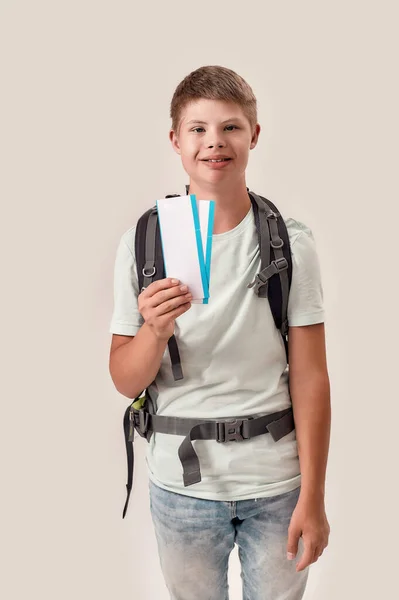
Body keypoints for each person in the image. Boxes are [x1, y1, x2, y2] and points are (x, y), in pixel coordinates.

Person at [109, 65, 331, 600]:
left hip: (276, 481)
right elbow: (123, 377)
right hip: (183, 482)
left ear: (254, 134)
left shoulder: (289, 243)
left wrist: (315, 497)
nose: (215, 142)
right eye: (198, 129)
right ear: (175, 141)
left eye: (231, 127)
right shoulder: (144, 243)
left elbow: (311, 376)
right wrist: (154, 332)